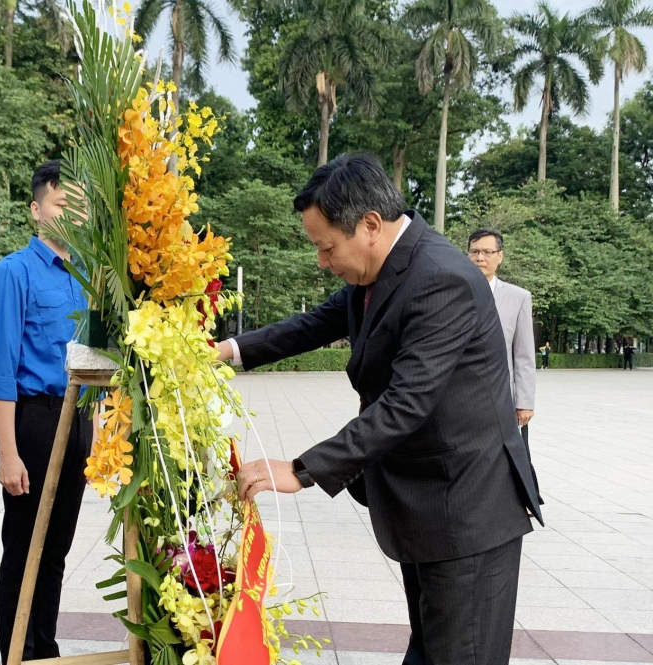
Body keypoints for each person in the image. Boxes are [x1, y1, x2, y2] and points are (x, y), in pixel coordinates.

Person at [220, 153, 543, 665]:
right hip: (428, 503)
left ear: (369, 225)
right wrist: (226, 352)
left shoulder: (441, 278)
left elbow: (405, 404)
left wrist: (301, 470)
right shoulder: (382, 268)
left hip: (466, 512)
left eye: (326, 247)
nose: (322, 262)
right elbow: (314, 325)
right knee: (431, 651)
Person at [0, 159, 91, 664]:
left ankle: (45, 649)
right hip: (35, 422)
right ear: (36, 209)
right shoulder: (11, 274)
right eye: (62, 203)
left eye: (81, 205)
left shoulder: (91, 276)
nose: (73, 213)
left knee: (58, 550)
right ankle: (17, 652)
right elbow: (1, 371)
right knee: (24, 547)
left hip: (81, 421)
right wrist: (9, 453)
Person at [469, 229, 541, 502]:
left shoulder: (518, 297)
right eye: (475, 251)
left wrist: (524, 401)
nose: (480, 257)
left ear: (500, 256)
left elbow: (523, 354)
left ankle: (512, 503)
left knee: (506, 455)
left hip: (502, 395)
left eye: (487, 252)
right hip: (463, 394)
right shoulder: (454, 290)